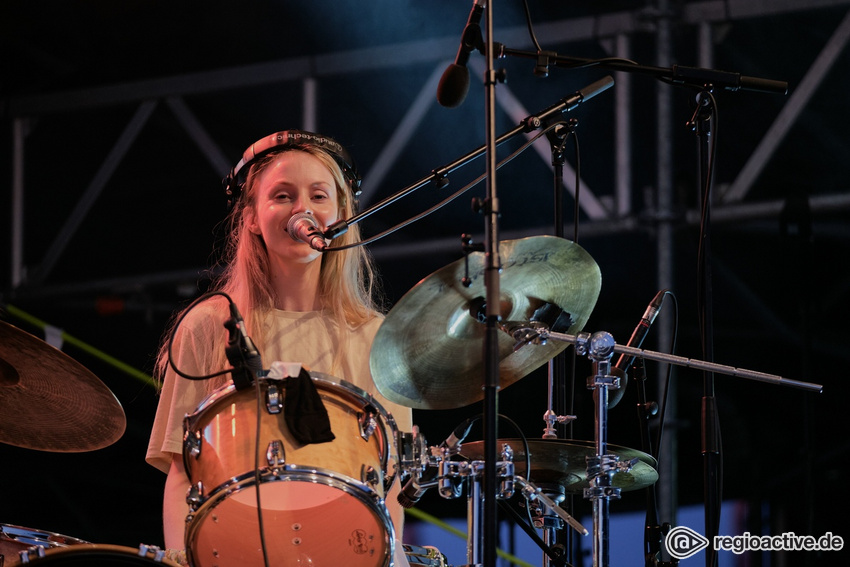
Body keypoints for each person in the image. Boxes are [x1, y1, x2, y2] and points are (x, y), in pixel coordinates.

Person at [146, 130, 414, 566]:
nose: (302, 209)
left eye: (319, 196)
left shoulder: (376, 335)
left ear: (342, 213)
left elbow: (390, 489)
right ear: (251, 217)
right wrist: (181, 557)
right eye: (283, 196)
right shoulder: (210, 325)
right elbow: (182, 473)